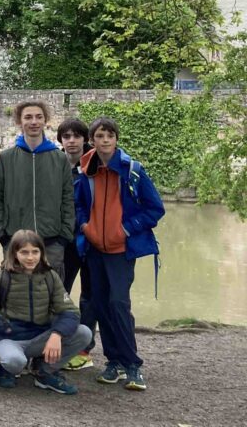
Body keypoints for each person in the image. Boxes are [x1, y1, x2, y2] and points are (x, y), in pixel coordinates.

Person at [74, 117, 163, 392]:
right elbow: (78, 205)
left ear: (116, 139)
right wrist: (85, 227)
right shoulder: (86, 171)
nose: (105, 140)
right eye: (100, 135)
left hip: (121, 250)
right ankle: (113, 362)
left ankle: (132, 364)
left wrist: (126, 229)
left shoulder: (132, 170)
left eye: (110, 135)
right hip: (95, 249)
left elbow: (155, 209)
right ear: (92, 140)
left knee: (118, 304)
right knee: (100, 304)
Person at [0, 230, 93, 394]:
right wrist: (5, 327)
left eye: (35, 252)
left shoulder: (51, 277)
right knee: (15, 361)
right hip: (11, 338)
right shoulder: (1, 278)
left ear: (42, 253)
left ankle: (44, 370)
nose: (30, 257)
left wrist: (56, 334)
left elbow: (70, 310)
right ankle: (6, 369)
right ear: (14, 253)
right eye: (24, 252)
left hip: (41, 337)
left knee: (84, 333)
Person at [0, 100, 75, 279]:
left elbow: (68, 199)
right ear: (20, 122)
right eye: (28, 117)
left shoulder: (59, 158)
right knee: (16, 297)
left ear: (45, 121)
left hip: (52, 242)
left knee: (50, 299)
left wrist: (64, 237)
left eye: (38, 117)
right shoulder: (6, 158)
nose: (33, 122)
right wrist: (1, 234)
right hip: (14, 241)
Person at [57, 117, 96, 371]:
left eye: (76, 136)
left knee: (90, 296)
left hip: (92, 239)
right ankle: (60, 341)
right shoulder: (54, 163)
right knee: (61, 292)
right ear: (61, 140)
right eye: (66, 137)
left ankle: (84, 347)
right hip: (64, 240)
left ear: (85, 139)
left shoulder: (96, 164)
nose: (71, 141)